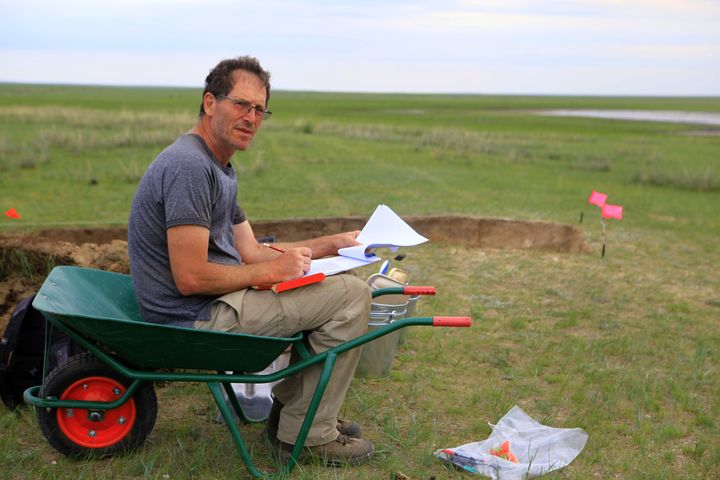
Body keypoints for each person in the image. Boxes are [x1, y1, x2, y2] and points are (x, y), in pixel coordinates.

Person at [127, 56, 374, 466]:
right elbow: (189, 277)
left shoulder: (218, 165)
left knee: (338, 284)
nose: (251, 118)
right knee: (351, 296)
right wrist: (268, 273)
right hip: (194, 317)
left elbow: (253, 251)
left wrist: (334, 245)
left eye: (260, 109)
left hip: (211, 304)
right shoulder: (189, 167)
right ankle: (307, 434)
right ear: (210, 103)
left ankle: (291, 418)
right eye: (241, 104)